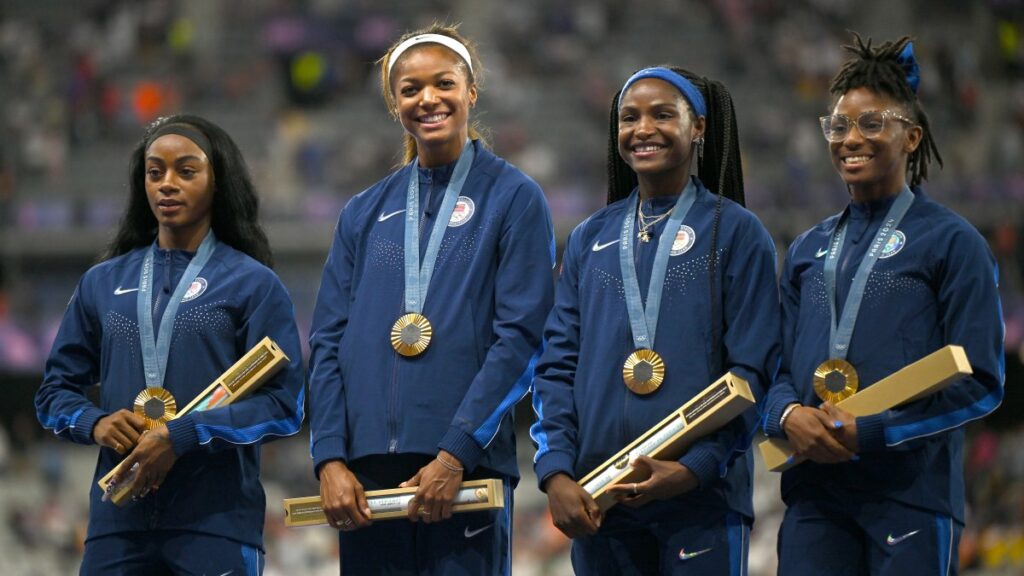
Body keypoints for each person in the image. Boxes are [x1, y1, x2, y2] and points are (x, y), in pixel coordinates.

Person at [307, 23, 555, 575]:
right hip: (364, 474)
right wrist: (328, 457)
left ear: (470, 91)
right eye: (410, 89)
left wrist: (456, 452)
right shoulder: (364, 211)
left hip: (465, 468)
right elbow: (326, 342)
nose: (428, 99)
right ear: (395, 104)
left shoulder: (514, 197)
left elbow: (522, 337)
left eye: (443, 83)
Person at [761, 34, 1004, 575]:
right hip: (815, 498)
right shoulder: (806, 249)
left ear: (911, 137)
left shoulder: (953, 242)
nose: (852, 138)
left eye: (872, 124)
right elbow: (774, 366)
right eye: (839, 125)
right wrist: (786, 413)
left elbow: (981, 381)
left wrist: (876, 431)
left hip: (911, 493)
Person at [531, 65, 780, 575]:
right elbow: (556, 367)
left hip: (702, 503)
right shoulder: (588, 238)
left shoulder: (735, 232)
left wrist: (695, 468)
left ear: (699, 127)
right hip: (599, 503)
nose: (643, 128)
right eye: (629, 117)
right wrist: (556, 472)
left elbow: (754, 372)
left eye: (663, 114)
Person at [35, 114, 305, 575]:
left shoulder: (253, 284)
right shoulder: (102, 283)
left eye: (186, 170)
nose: (167, 184)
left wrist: (183, 435)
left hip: (216, 524)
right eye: (154, 172)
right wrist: (94, 422)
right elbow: (53, 393)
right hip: (117, 524)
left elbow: (284, 405)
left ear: (217, 181)